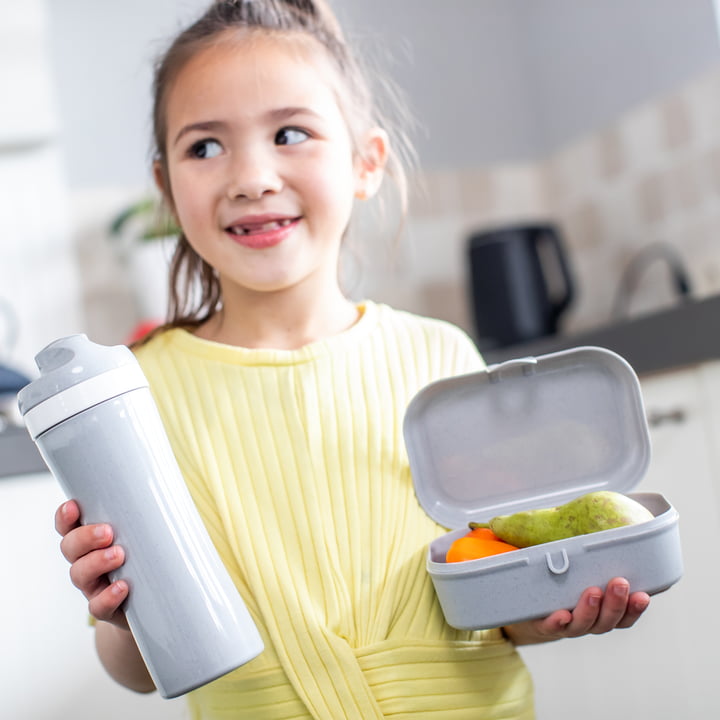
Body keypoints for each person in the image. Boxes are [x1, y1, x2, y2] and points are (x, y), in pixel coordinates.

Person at [54, 1, 651, 718]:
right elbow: (138, 674)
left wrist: (554, 610)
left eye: (290, 133)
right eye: (205, 147)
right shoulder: (133, 395)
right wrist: (123, 616)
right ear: (165, 188)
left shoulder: (440, 357)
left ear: (365, 162)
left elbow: (492, 597)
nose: (251, 175)